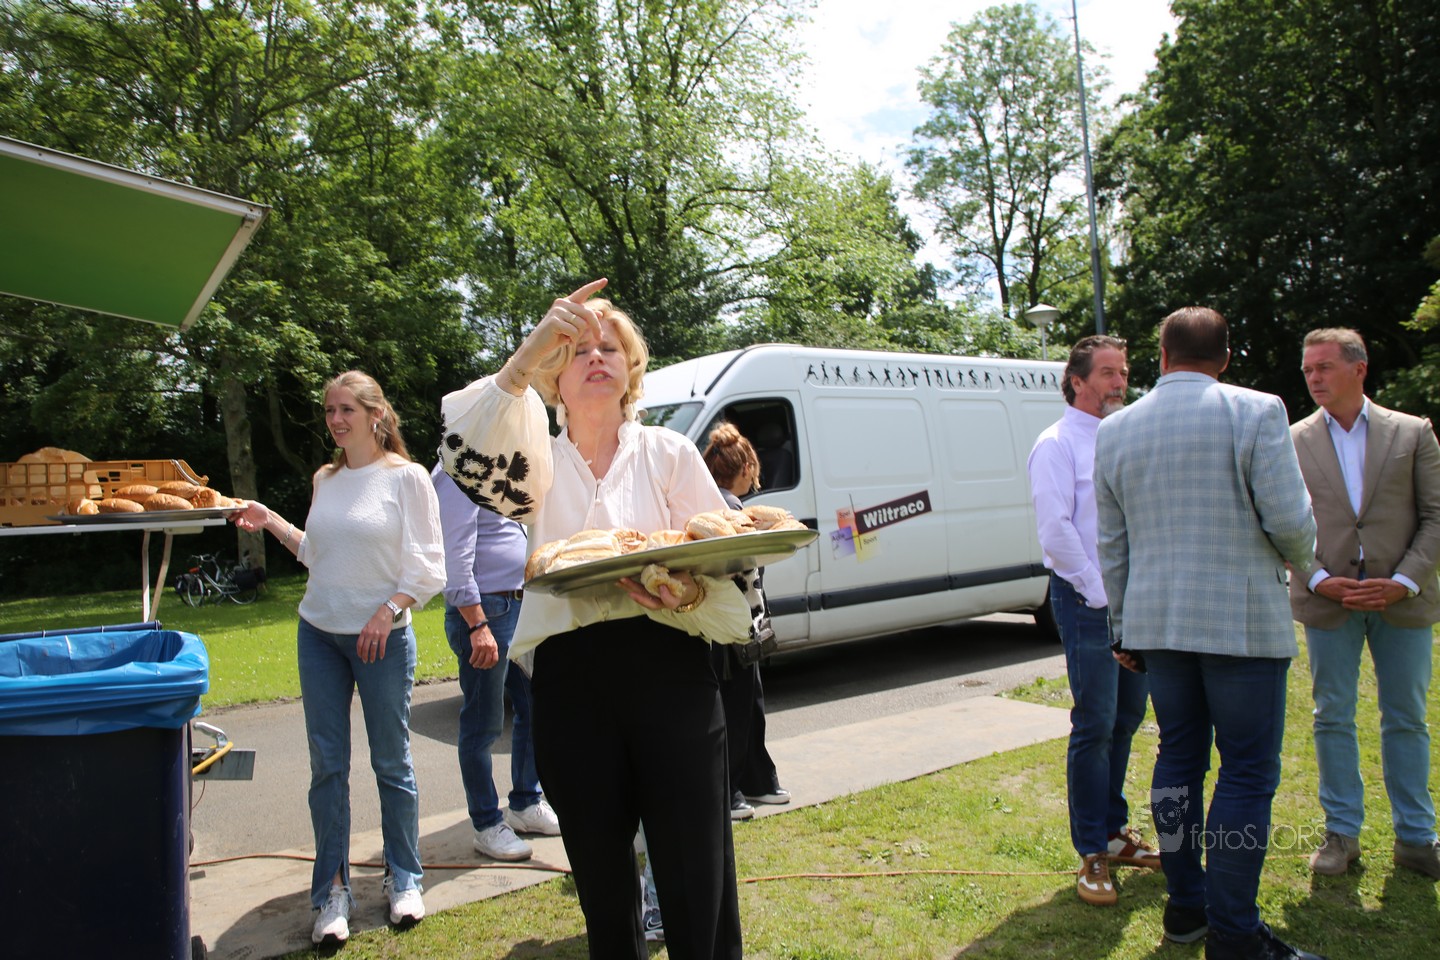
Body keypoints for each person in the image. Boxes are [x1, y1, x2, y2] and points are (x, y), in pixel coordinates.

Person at [437, 278, 754, 960]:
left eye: (610, 348)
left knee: (696, 871)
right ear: (555, 374)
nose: (596, 357)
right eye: (578, 349)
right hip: (570, 678)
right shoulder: (532, 465)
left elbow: (726, 559)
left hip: (671, 668)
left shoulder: (668, 452)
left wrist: (686, 595)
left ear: (631, 368)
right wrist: (525, 354)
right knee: (603, 883)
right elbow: (461, 453)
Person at [1094, 308, 1326, 960]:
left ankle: (1186, 905)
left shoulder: (1116, 429)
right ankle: (1234, 932)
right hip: (1240, 619)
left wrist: (1121, 625)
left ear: (1163, 356)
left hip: (1158, 622)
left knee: (1177, 761)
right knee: (1245, 774)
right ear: (1225, 357)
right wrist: (1305, 561)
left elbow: (1112, 542)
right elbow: (1290, 520)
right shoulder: (1256, 411)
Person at [232, 370, 446, 945]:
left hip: (383, 639)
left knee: (391, 763)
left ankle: (404, 879)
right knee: (327, 767)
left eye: (346, 408)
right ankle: (331, 892)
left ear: (377, 415)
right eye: (329, 410)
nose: (335, 419)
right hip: (319, 635)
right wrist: (271, 521)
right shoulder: (325, 479)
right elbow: (318, 554)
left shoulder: (406, 479)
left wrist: (388, 610)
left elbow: (429, 566)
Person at [1289, 328, 1440, 879]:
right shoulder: (1293, 439)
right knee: (1332, 716)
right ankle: (1342, 834)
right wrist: (1317, 578)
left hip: (1402, 601)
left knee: (1407, 718)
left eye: (1324, 367)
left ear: (1359, 368)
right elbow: (1281, 522)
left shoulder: (1413, 432)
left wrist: (1404, 580)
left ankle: (1416, 838)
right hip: (1330, 601)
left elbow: (1436, 515)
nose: (1314, 378)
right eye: (1308, 370)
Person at [1026, 335, 1157, 909]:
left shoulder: (1127, 436)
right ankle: (1091, 852)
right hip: (1087, 600)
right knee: (1096, 722)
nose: (1119, 382)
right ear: (1076, 381)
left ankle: (1112, 829)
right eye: (1107, 373)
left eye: (1122, 371)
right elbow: (1056, 531)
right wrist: (1103, 594)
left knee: (1127, 717)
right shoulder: (1055, 445)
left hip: (1134, 599)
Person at [430, 464, 561, 863]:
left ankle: (525, 803)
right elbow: (454, 554)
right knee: (483, 723)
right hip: (486, 611)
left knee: (535, 707)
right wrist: (476, 624)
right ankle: (486, 824)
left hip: (518, 603)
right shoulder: (457, 469)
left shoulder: (496, 463)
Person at [701, 422, 789, 822]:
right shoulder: (730, 509)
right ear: (745, 469)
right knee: (738, 707)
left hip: (734, 622)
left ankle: (757, 778)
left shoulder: (712, 501)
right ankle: (731, 789)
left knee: (748, 703)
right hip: (733, 625)